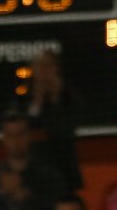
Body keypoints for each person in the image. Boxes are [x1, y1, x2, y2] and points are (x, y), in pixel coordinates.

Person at [27, 49, 82, 196]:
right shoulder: (23, 98)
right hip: (34, 173)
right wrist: (37, 103)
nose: (44, 71)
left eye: (48, 66)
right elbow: (26, 130)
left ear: (56, 68)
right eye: (39, 66)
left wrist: (56, 98)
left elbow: (65, 129)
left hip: (64, 171)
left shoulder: (69, 98)